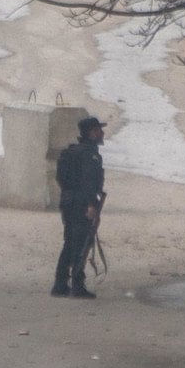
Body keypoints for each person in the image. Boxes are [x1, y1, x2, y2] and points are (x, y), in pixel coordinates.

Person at [52, 116, 107, 299]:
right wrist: (91, 205)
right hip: (81, 203)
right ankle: (77, 285)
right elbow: (88, 183)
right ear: (92, 132)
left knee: (70, 242)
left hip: (68, 201)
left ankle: (60, 284)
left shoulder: (71, 152)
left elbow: (61, 179)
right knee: (81, 244)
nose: (102, 133)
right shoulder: (89, 155)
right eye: (99, 130)